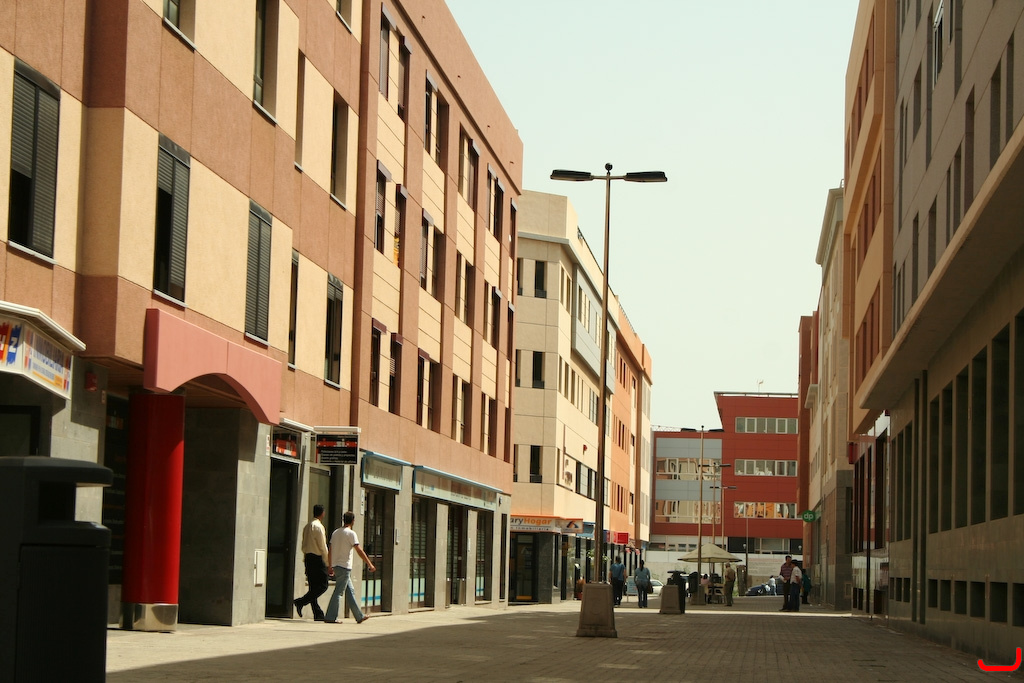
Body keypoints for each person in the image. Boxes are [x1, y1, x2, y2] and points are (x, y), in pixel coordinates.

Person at [325, 511, 376, 624]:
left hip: (336, 565)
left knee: (350, 591)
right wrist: (369, 563)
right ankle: (330, 616)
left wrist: (330, 565)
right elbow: (359, 550)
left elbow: (330, 550)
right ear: (353, 521)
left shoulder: (336, 533)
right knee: (339, 592)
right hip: (344, 566)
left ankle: (359, 616)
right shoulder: (351, 533)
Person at [293, 504, 330, 620]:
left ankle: (317, 613)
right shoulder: (318, 527)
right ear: (322, 513)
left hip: (308, 558)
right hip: (317, 558)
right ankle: (300, 602)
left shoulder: (307, 526)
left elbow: (303, 544)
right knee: (323, 585)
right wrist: (328, 562)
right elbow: (322, 546)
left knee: (313, 586)